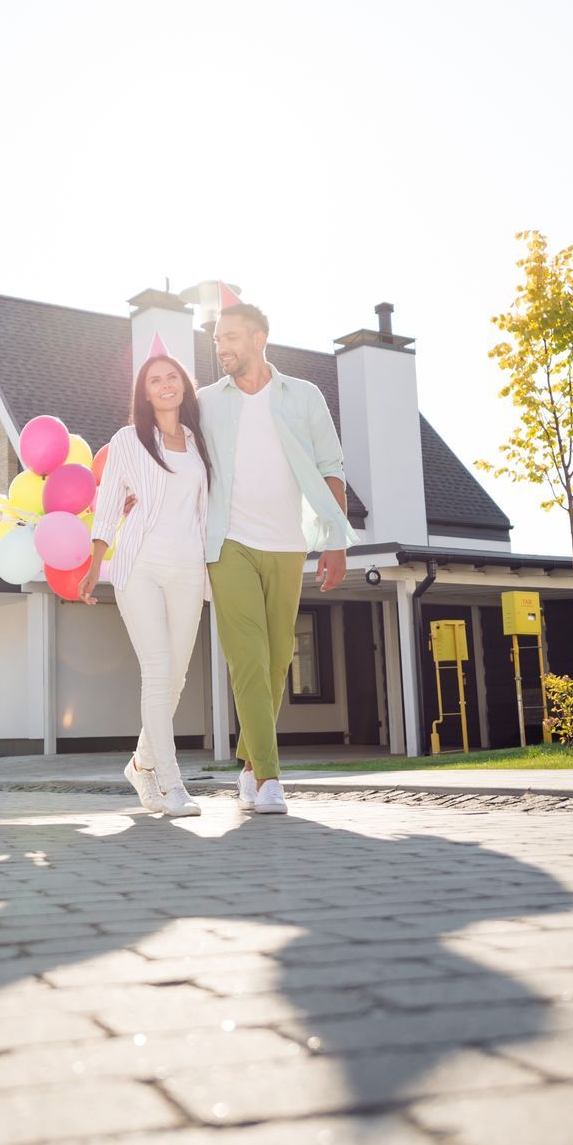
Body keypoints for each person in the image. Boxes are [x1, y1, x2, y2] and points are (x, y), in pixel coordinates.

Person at [198, 301, 357, 815]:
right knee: (246, 657)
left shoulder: (304, 396)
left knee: (276, 661)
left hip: (289, 542)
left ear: (260, 337)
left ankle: (248, 761)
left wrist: (335, 540)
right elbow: (172, 450)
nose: (221, 347)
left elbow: (331, 468)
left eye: (231, 338)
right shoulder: (205, 402)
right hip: (229, 544)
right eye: (217, 339)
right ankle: (269, 780)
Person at [80, 353, 212, 818]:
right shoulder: (128, 440)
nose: (165, 384)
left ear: (183, 384)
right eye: (155, 380)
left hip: (189, 567)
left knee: (175, 678)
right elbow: (110, 500)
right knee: (158, 672)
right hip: (140, 566)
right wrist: (96, 562)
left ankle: (141, 764)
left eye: (171, 376)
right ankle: (173, 784)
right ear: (145, 391)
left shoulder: (199, 440)